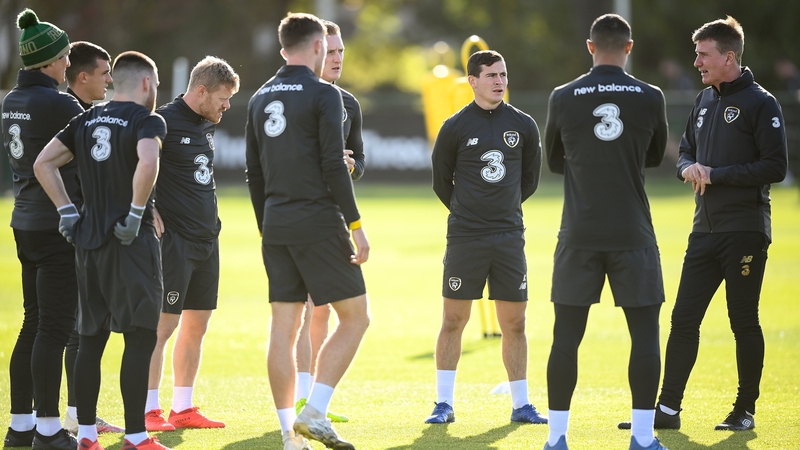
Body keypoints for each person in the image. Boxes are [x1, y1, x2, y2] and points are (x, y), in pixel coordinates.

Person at [647, 16, 787, 432]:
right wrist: (689, 167)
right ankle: (667, 411)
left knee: (743, 320)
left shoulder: (763, 103)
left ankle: (744, 410)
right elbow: (687, 150)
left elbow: (776, 166)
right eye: (695, 54)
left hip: (745, 229)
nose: (696, 63)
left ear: (729, 57)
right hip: (703, 231)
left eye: (703, 55)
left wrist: (716, 173)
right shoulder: (704, 100)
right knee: (683, 319)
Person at [245, 12, 370, 450]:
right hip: (318, 221)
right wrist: (356, 226)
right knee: (356, 317)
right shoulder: (324, 94)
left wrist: (268, 226)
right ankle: (314, 412)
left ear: (284, 49)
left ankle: (286, 433)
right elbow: (335, 165)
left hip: (275, 225)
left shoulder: (259, 98)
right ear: (318, 46)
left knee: (283, 327)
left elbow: (254, 175)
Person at [543, 14, 669, 450]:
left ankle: (557, 439)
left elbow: (554, 160)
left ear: (590, 47)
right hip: (633, 232)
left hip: (579, 233)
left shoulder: (563, 96)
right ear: (629, 47)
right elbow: (653, 157)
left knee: (566, 338)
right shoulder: (651, 96)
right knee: (646, 336)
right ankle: (642, 438)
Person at [34, 51, 170, 450]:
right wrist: (134, 212)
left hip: (88, 243)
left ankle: (88, 436)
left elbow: (44, 163)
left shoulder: (86, 117)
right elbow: (148, 162)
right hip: (131, 243)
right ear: (146, 83)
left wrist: (67, 212)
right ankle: (136, 436)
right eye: (156, 85)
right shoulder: (147, 120)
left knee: (90, 339)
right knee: (141, 336)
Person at [427, 49, 545, 426]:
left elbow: (529, 181)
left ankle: (521, 405)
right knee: (453, 320)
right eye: (491, 75)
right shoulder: (455, 126)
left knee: (515, 323)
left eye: (503, 74)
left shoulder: (524, 125)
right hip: (465, 236)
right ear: (473, 81)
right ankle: (443, 404)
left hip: (510, 236)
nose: (499, 81)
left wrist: (502, 210)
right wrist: (469, 212)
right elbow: (441, 182)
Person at [144, 56, 239, 432]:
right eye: (223, 97)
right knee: (161, 327)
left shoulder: (205, 123)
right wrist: (147, 207)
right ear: (201, 90)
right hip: (174, 241)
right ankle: (149, 409)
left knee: (196, 325)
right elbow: (130, 162)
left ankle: (182, 407)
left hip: (207, 240)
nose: (227, 105)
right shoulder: (162, 121)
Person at [2, 9, 83, 450]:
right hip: (55, 223)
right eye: (66, 56)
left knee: (32, 324)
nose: (69, 64)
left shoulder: (13, 99)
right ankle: (50, 431)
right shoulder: (58, 102)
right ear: (50, 61)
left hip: (24, 221)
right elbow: (90, 151)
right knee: (54, 328)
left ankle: (19, 426)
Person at [294, 19, 365, 424]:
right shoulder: (292, 98)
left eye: (341, 52)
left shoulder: (349, 104)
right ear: (315, 50)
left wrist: (350, 167)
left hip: (334, 218)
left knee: (328, 312)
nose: (336, 59)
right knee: (305, 311)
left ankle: (315, 401)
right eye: (331, 51)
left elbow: (360, 162)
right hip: (301, 217)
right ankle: (304, 399)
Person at [62, 39, 125, 437]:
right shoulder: (72, 113)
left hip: (76, 229)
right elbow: (49, 167)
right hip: (76, 233)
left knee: (74, 326)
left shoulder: (82, 112)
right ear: (82, 76)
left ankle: (72, 415)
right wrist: (73, 214)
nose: (109, 81)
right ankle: (72, 416)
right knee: (76, 328)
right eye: (104, 74)